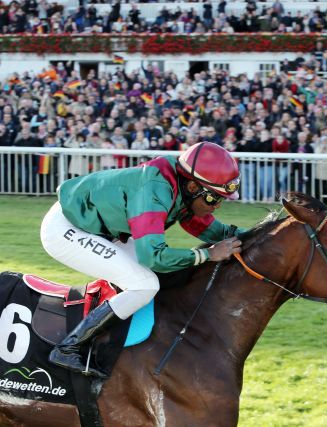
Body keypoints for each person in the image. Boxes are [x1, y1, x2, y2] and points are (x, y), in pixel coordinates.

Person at [40, 142, 244, 376]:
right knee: (145, 284)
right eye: (212, 199)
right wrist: (207, 254)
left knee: (151, 279)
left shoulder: (181, 188)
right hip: (67, 228)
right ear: (191, 186)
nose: (216, 206)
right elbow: (153, 255)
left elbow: (207, 227)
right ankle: (69, 347)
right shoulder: (155, 191)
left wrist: (257, 234)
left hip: (102, 228)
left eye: (222, 200)